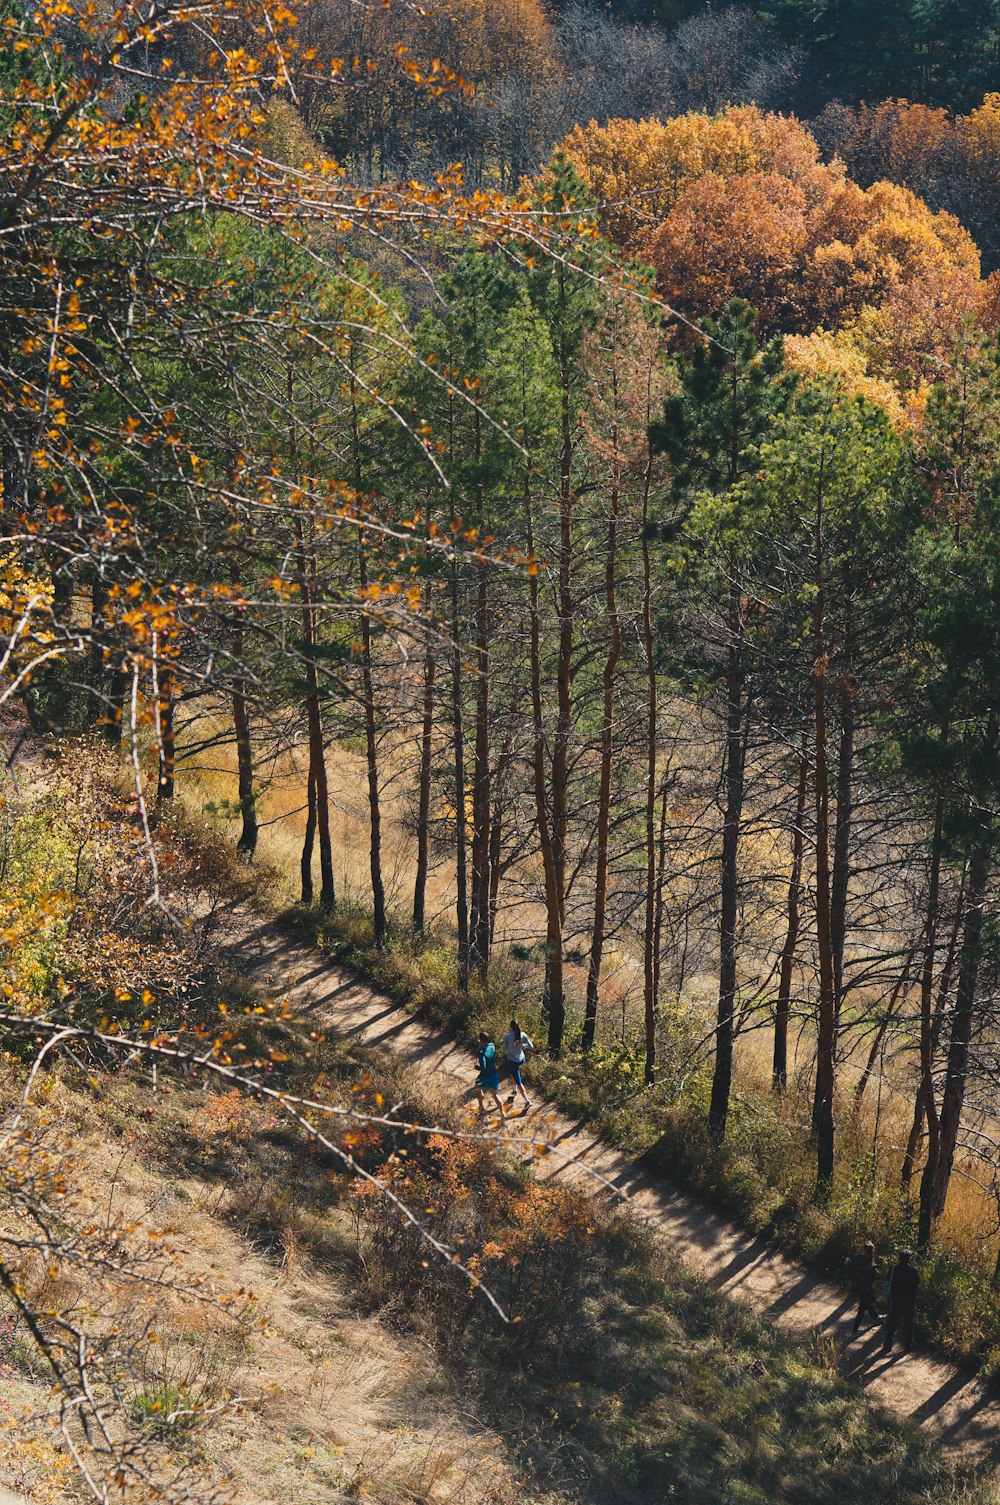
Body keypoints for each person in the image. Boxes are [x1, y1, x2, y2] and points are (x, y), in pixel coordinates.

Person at [882, 1248, 919, 1353]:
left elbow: (887, 1280)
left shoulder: (893, 1269)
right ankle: (908, 1345)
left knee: (892, 1323)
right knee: (908, 1324)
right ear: (909, 1259)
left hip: (895, 1300)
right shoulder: (913, 1271)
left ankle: (888, 1345)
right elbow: (916, 1285)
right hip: (909, 1301)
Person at [502, 1018, 534, 1110]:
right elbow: (531, 1046)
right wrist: (522, 1045)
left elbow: (504, 1049)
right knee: (514, 1073)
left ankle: (527, 1101)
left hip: (513, 1061)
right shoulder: (523, 1034)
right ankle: (514, 1090)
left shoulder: (507, 1037)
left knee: (519, 1081)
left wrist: (510, 1047)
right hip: (521, 1059)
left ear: (510, 1027)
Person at [850, 1239, 880, 1335]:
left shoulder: (857, 1259)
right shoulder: (870, 1263)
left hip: (858, 1285)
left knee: (868, 1303)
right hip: (866, 1288)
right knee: (863, 1308)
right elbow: (872, 1278)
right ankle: (855, 1329)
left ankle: (876, 1317)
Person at [474, 1032, 505, 1121]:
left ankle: (481, 1107)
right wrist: (481, 1046)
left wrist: (478, 1067)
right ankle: (502, 1113)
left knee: (477, 1087)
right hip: (494, 1075)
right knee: (495, 1095)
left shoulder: (481, 1052)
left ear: (481, 1040)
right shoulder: (492, 1046)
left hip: (484, 1077)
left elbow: (483, 1067)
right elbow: (487, 1050)